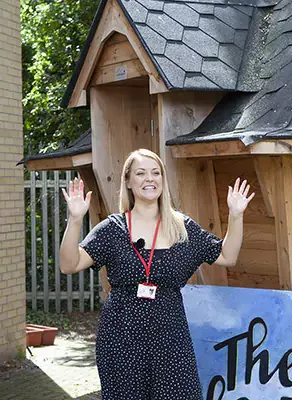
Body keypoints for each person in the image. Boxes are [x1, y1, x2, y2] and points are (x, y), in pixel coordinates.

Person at [59, 148, 255, 400]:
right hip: (121, 338)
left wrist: (236, 216)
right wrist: (75, 220)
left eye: (155, 173)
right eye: (140, 173)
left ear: (163, 179)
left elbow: (227, 256)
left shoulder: (182, 227)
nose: (149, 179)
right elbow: (69, 264)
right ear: (128, 182)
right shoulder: (113, 228)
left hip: (170, 337)